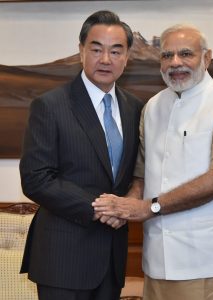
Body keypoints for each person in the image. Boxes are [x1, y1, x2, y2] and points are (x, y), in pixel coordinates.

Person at [92, 24, 213, 300]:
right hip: (159, 264)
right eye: (167, 56)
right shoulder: (153, 107)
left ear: (207, 58)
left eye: (186, 54)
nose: (175, 63)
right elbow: (141, 175)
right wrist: (124, 207)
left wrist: (148, 207)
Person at [19, 10, 143, 300]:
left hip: (112, 258)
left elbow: (133, 173)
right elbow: (36, 178)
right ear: (81, 51)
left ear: (127, 57)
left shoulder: (135, 108)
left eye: (116, 51)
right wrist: (103, 209)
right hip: (63, 258)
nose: (105, 59)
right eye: (96, 49)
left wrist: (128, 204)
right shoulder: (50, 106)